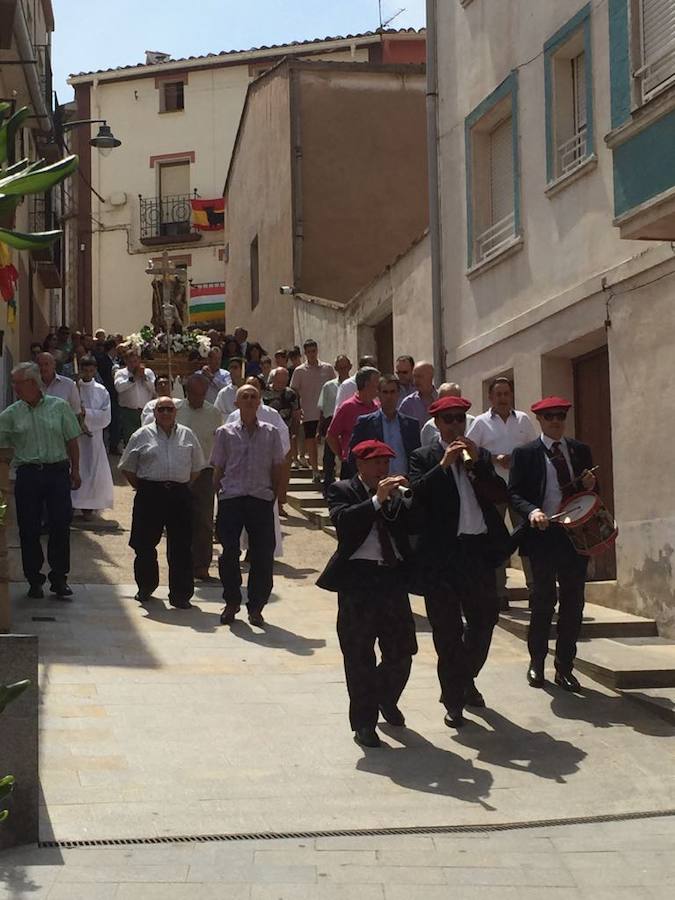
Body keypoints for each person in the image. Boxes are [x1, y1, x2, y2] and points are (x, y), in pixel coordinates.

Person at [409, 396, 509, 728]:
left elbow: (499, 494)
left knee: (485, 620)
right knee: (447, 632)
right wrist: (443, 466)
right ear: (437, 424)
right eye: (449, 419)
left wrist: (479, 464)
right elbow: (416, 499)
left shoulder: (475, 458)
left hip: (476, 551)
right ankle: (454, 699)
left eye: (460, 419)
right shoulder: (424, 457)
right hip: (442, 558)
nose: (455, 425)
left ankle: (464, 679)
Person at [317, 440, 418, 748]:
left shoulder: (395, 494)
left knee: (402, 651)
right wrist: (376, 500)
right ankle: (363, 723)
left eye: (386, 463)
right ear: (359, 465)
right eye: (375, 463)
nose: (382, 469)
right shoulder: (342, 489)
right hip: (357, 579)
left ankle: (384, 698)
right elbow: (345, 523)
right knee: (359, 655)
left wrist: (408, 499)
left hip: (391, 577)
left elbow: (414, 526)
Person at [509, 396, 596, 692]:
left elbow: (595, 491)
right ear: (540, 421)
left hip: (575, 537)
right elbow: (515, 494)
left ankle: (565, 667)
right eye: (549, 417)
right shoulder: (526, 454)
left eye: (560, 416)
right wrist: (532, 511)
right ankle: (537, 662)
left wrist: (590, 486)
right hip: (542, 535)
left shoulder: (580, 451)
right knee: (543, 601)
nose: (555, 421)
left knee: (574, 603)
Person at [0, 363, 81, 599]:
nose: (14, 388)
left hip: (57, 472)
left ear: (33, 383)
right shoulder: (10, 414)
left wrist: (76, 470)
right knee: (29, 528)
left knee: (59, 525)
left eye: (18, 383)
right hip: (28, 475)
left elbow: (72, 441)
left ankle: (59, 578)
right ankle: (34, 579)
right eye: (13, 383)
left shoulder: (59, 407)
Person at [210, 384, 285, 627]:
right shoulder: (224, 432)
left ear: (260, 401)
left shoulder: (271, 432)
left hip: (260, 498)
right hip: (231, 497)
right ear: (236, 403)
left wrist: (274, 494)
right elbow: (218, 468)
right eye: (245, 397)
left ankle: (256, 606)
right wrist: (219, 494)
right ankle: (231, 601)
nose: (250, 400)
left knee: (262, 555)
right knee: (229, 552)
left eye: (254, 397)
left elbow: (277, 467)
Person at [119, 398, 205, 609]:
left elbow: (196, 467)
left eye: (170, 409)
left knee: (182, 546)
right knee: (144, 544)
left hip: (179, 494)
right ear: (155, 412)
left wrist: (179, 485)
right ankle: (146, 587)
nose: (166, 413)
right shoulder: (141, 435)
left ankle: (181, 594)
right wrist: (145, 487)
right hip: (150, 494)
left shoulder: (188, 434)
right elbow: (128, 467)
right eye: (161, 409)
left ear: (176, 412)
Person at [467, 376, 537, 610]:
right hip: (493, 488)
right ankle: (499, 593)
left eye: (506, 394)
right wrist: (494, 458)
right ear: (490, 397)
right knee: (496, 542)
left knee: (528, 539)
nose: (503, 398)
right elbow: (470, 450)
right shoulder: (481, 422)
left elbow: (535, 450)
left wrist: (517, 460)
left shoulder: (524, 420)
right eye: (498, 394)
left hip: (520, 488)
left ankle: (534, 589)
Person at [176, 374, 224, 581]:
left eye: (202, 394)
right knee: (180, 519)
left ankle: (202, 565)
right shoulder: (177, 411)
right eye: (195, 394)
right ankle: (181, 564)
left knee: (204, 520)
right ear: (188, 393)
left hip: (205, 472)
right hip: (181, 472)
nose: (199, 398)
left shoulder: (213, 412)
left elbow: (218, 442)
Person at [349, 375, 421, 475]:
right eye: (385, 392)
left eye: (392, 392)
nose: (389, 397)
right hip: (376, 483)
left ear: (398, 394)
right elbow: (354, 456)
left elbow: (416, 457)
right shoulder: (365, 423)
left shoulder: (411, 425)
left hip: (404, 482)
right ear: (378, 394)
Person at [71, 355, 114, 521]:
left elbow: (106, 415)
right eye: (85, 370)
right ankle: (75, 502)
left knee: (92, 468)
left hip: (94, 436)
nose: (88, 374)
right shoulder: (74, 388)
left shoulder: (101, 391)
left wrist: (86, 413)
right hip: (75, 436)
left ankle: (90, 505)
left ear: (95, 370)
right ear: (80, 370)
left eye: (91, 370)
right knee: (77, 466)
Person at [290, 339, 335, 484]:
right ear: (305, 353)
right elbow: (294, 391)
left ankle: (329, 469)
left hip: (326, 412)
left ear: (317, 351)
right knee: (311, 441)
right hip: (308, 411)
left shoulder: (327, 368)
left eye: (313, 351)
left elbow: (333, 387)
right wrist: (297, 409)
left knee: (328, 441)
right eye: (308, 352)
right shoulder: (299, 371)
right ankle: (315, 470)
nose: (311, 354)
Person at [326, 367, 380, 479]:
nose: (379, 387)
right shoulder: (348, 407)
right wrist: (342, 455)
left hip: (375, 463)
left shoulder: (377, 406)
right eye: (376, 383)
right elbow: (331, 436)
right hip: (353, 465)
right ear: (366, 384)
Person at [263, 367, 300, 509]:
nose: (282, 383)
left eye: (285, 380)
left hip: (286, 436)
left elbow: (296, 414)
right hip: (266, 437)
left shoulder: (291, 394)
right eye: (279, 380)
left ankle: (280, 503)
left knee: (284, 472)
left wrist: (294, 433)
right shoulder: (263, 391)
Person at [318, 354, 352, 495]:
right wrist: (319, 430)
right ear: (336, 368)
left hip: (348, 425)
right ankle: (328, 488)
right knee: (328, 459)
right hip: (331, 424)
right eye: (340, 367)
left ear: (350, 367)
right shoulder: (328, 386)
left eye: (345, 367)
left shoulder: (355, 385)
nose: (343, 370)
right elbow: (322, 409)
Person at [114, 348, 156, 444]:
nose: (133, 364)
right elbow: (119, 388)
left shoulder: (148, 372)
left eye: (135, 361)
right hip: (128, 413)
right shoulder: (121, 373)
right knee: (131, 441)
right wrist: (133, 378)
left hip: (146, 411)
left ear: (139, 360)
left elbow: (154, 389)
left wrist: (145, 378)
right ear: (126, 361)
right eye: (130, 362)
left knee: (147, 440)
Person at [398, 361, 438, 427]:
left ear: (431, 376)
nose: (416, 381)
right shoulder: (408, 403)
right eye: (414, 377)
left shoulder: (441, 398)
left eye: (419, 376)